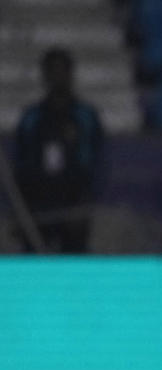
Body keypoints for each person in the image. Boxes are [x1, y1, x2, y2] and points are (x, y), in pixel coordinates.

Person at [13, 47, 104, 253]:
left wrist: (85, 203)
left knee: (72, 268)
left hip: (73, 203)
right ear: (44, 75)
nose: (57, 77)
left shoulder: (85, 117)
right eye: (51, 71)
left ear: (71, 74)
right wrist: (21, 211)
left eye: (61, 70)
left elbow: (97, 162)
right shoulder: (32, 118)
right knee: (34, 267)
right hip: (37, 205)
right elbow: (20, 163)